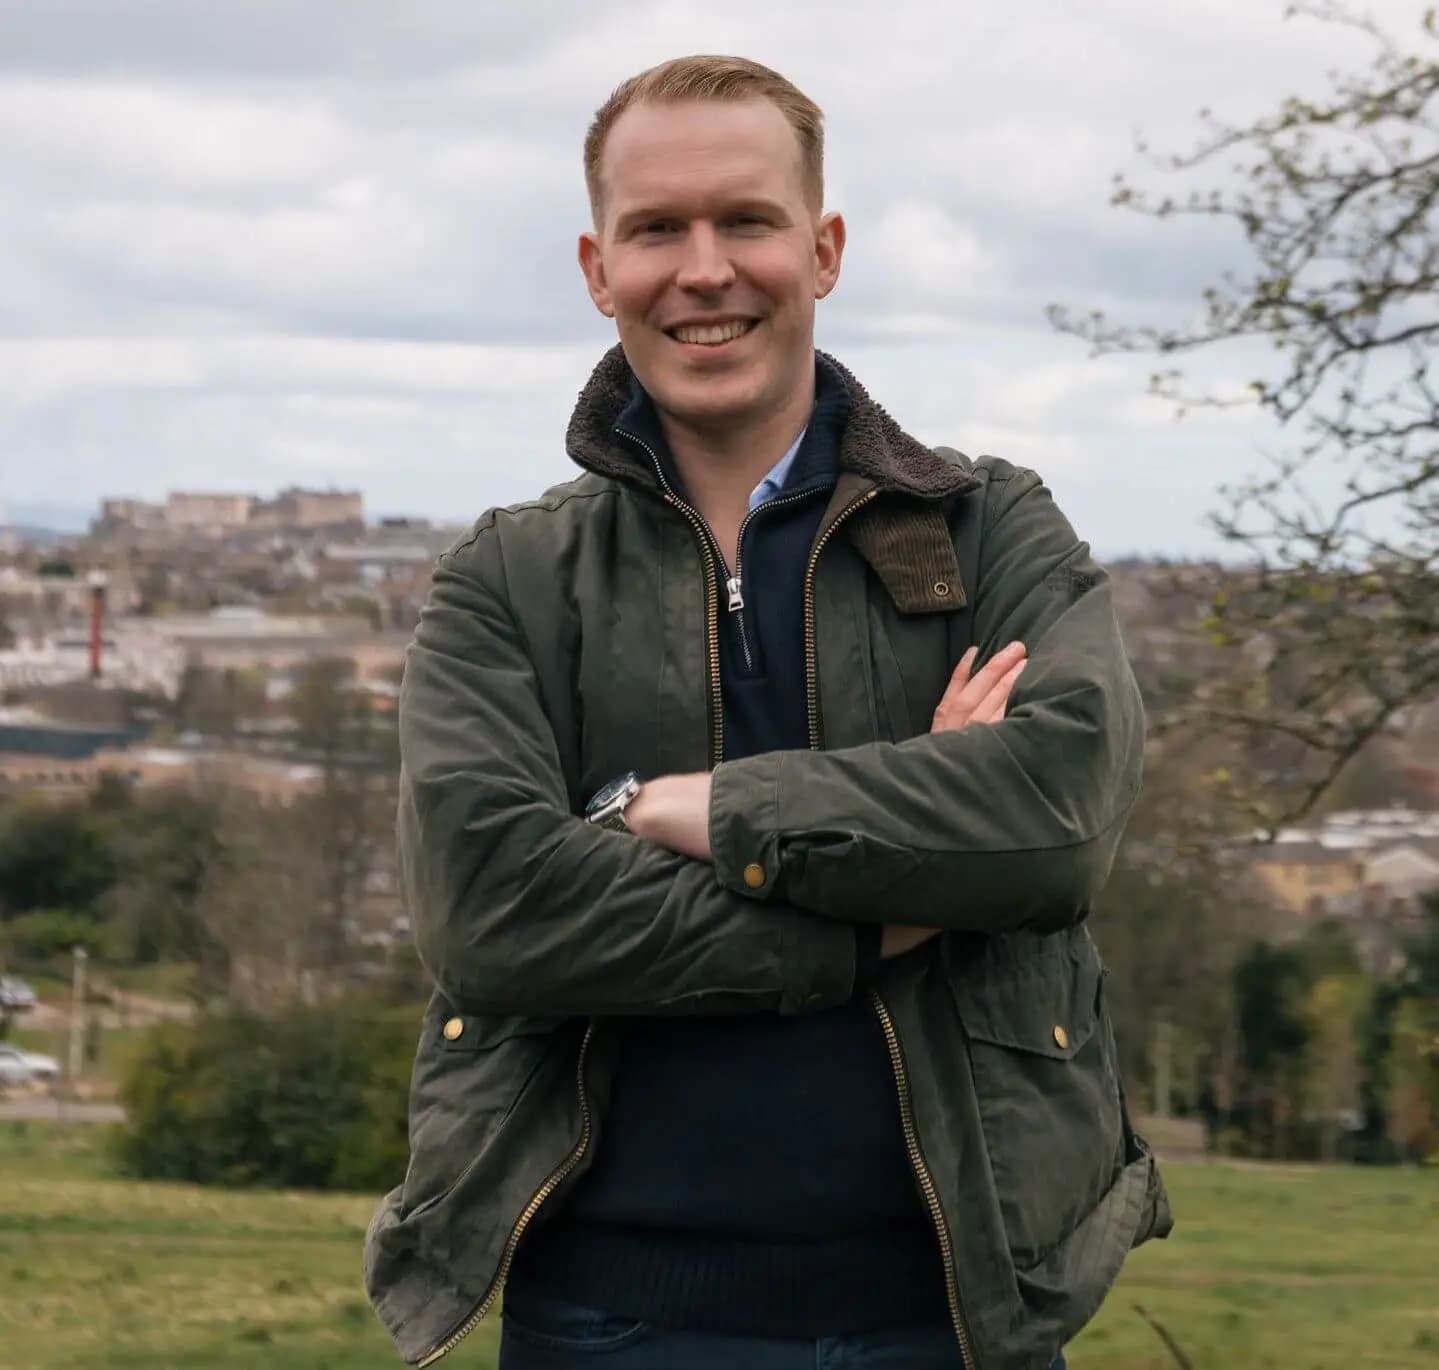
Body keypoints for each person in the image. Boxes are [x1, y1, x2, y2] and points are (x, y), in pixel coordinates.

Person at [364, 55, 1172, 1370]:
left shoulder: (988, 528)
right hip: (603, 1314)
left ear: (824, 247)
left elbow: (1054, 818)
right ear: (594, 265)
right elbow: (494, 907)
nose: (704, 268)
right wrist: (891, 894)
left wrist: (690, 813)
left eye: (745, 220)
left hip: (956, 1310)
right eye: (656, 229)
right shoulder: (512, 577)